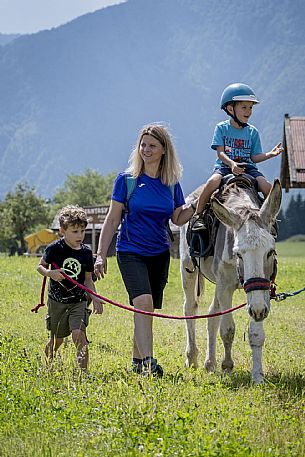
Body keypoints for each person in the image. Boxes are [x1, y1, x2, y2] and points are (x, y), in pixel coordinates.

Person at [94, 123, 196, 377]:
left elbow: (177, 217)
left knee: (145, 310)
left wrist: (199, 203)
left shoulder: (171, 183)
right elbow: (112, 219)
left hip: (159, 253)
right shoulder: (127, 180)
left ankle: (137, 362)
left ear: (164, 150)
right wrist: (100, 254)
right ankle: (149, 364)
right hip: (130, 250)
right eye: (143, 144)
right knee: (143, 302)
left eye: (152, 145)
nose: (146, 150)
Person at [193, 82, 284, 230]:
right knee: (211, 183)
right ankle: (199, 216)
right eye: (244, 107)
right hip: (225, 167)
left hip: (248, 168)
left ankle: (268, 220)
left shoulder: (253, 132)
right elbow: (220, 153)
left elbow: (254, 158)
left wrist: (270, 154)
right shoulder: (222, 128)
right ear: (230, 109)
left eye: (251, 107)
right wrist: (232, 165)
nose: (249, 111)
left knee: (268, 187)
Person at [37, 205, 103, 370]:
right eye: (75, 232)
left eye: (82, 231)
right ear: (62, 230)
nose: (80, 235)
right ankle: (47, 366)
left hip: (78, 301)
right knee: (57, 340)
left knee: (78, 334)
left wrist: (95, 297)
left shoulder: (86, 253)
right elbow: (40, 267)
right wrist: (50, 273)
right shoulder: (54, 249)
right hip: (57, 301)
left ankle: (83, 373)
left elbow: (88, 280)